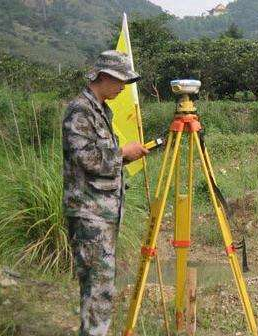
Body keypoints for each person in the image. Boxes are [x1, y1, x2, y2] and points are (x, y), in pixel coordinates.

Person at [62, 50, 148, 336]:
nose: (124, 87)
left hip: (104, 213)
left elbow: (99, 156)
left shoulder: (102, 110)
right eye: (121, 81)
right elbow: (85, 158)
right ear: (105, 76)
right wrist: (122, 153)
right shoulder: (80, 110)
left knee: (101, 288)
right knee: (98, 289)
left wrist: (123, 156)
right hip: (90, 215)